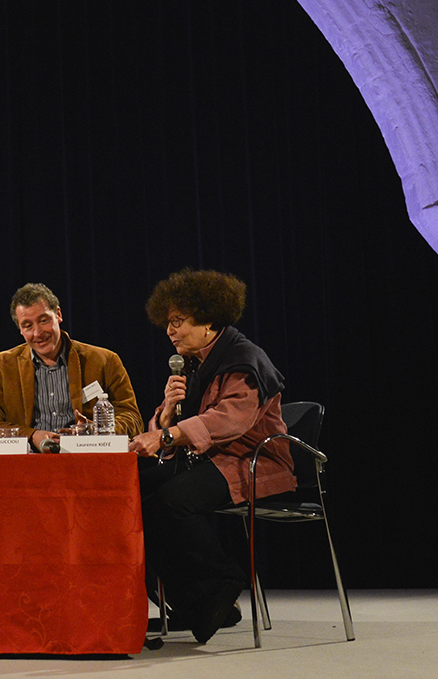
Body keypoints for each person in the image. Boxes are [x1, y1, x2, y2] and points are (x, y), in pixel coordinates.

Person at [128, 268, 294, 645]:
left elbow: (230, 419)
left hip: (254, 461)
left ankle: (221, 580)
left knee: (173, 500)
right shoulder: (193, 365)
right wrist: (166, 416)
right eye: (167, 322)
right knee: (134, 493)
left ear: (208, 320)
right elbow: (173, 429)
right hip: (210, 460)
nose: (169, 331)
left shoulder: (244, 359)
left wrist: (166, 434)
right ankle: (191, 603)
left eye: (178, 321)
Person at [0, 283, 143, 450]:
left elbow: (133, 419)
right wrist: (32, 435)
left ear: (58, 315)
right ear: (20, 329)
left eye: (43, 321)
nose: (37, 333)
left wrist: (93, 430)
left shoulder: (104, 361)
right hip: (28, 459)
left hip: (87, 457)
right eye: (28, 326)